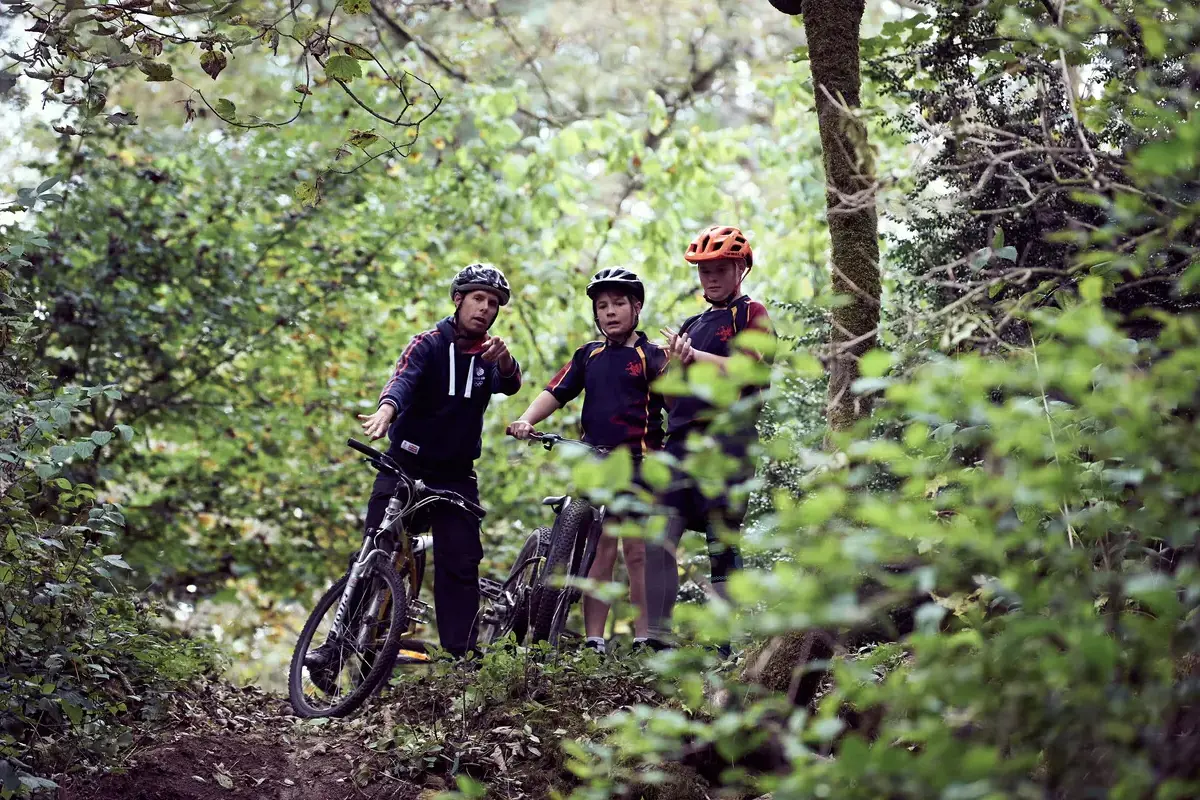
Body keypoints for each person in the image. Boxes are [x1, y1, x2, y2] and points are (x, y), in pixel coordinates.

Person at [308, 264, 522, 663]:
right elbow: (403, 380)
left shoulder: (491, 353)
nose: (485, 309)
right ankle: (335, 648)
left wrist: (506, 360)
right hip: (405, 464)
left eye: (493, 304)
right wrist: (386, 411)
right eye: (478, 298)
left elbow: (510, 383)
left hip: (456, 474)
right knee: (375, 546)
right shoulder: (427, 343)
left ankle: (461, 659)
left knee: (461, 559)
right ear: (458, 300)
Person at [507, 268, 668, 655]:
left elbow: (677, 405)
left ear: (636, 307)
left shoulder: (653, 356)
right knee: (600, 548)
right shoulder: (589, 355)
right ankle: (595, 639)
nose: (610, 312)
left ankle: (646, 637)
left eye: (618, 304)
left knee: (637, 550)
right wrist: (527, 420)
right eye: (602, 306)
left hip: (639, 463)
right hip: (595, 461)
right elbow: (555, 392)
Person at [644, 225, 774, 652]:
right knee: (660, 534)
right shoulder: (692, 323)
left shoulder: (751, 313)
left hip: (728, 441)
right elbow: (668, 393)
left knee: (721, 540)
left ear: (740, 267)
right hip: (681, 444)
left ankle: (722, 644)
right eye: (703, 271)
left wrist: (694, 357)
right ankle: (657, 639)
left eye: (719, 269)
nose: (710, 278)